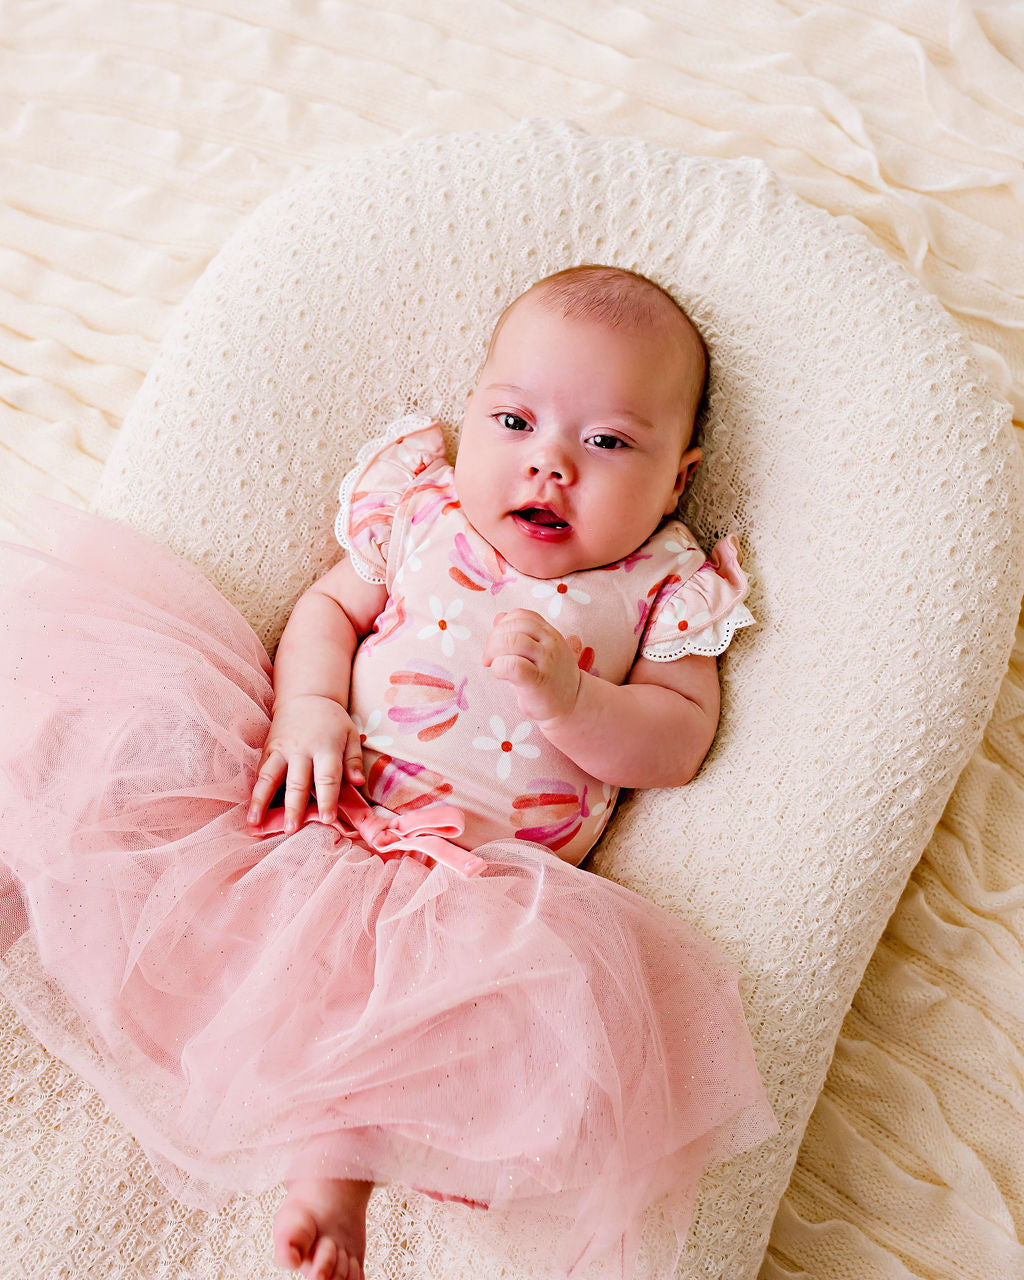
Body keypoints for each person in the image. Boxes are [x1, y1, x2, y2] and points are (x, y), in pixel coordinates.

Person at [0, 266, 777, 1280]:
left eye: (607, 441)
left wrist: (575, 701)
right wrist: (310, 709)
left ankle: (333, 1184)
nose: (550, 463)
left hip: (463, 877)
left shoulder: (662, 586)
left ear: (677, 477)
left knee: (422, 1015)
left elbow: (676, 741)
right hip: (309, 795)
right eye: (512, 420)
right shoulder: (425, 511)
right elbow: (328, 613)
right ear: (467, 421)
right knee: (114, 755)